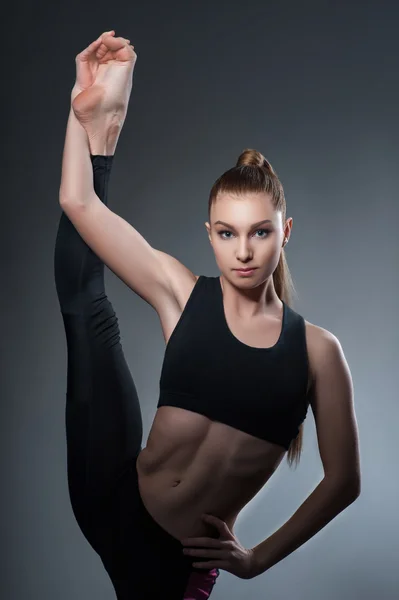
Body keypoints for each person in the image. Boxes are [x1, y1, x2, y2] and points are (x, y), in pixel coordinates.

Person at [54, 31, 361, 600]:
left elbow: (344, 482)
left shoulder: (318, 352)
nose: (243, 252)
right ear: (211, 235)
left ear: (284, 234)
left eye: (260, 232)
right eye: (227, 233)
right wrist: (82, 114)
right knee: (82, 300)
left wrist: (257, 560)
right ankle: (105, 128)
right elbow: (79, 205)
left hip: (175, 564)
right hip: (112, 494)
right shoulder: (183, 293)